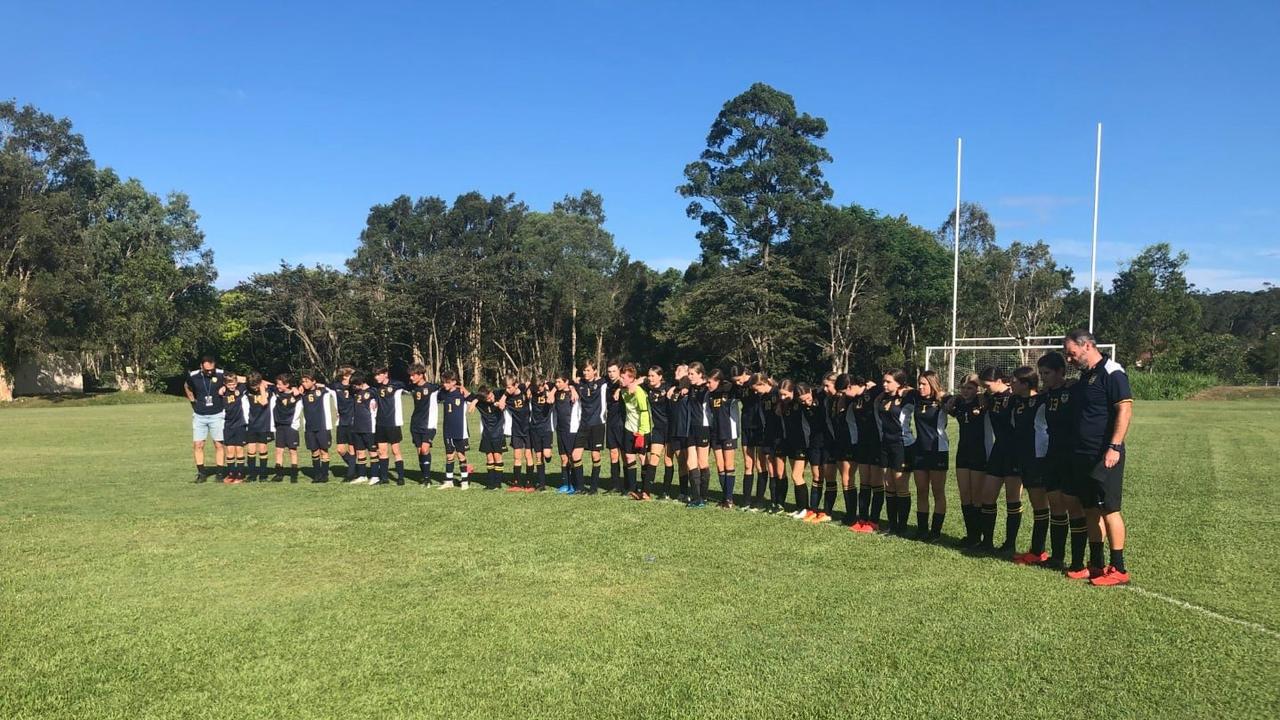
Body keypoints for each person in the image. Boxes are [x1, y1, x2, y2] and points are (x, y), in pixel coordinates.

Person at [1062, 329, 1133, 586]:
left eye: (1071, 354)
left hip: (1105, 454)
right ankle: (1096, 565)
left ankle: (1119, 568)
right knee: (1091, 509)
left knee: (1109, 509)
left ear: (1088, 346)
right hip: (1083, 455)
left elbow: (1124, 409)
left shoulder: (1112, 372)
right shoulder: (1086, 377)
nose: (1068, 360)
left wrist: (1114, 446)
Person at [1035, 352, 1086, 571]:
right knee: (1055, 504)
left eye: (1047, 373)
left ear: (1060, 372)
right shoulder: (1044, 395)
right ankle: (1057, 556)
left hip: (1071, 456)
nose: (1043, 377)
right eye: (1041, 373)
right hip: (1052, 455)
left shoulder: (1074, 391)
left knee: (1073, 505)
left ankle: (1077, 562)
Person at [974, 366, 1020, 554]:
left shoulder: (1014, 397)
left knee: (1012, 499)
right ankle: (987, 542)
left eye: (987, 385)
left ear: (999, 381)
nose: (985, 388)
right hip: (998, 450)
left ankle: (1010, 544)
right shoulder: (990, 398)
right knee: (988, 496)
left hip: (1014, 453)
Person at [1009, 366, 1050, 562]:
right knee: (1036, 504)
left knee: (1040, 504)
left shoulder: (1042, 399)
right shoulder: (1016, 400)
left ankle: (1038, 551)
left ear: (1026, 384)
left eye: (1014, 381)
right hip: (1022, 456)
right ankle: (1036, 550)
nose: (1011, 383)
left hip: (1038, 457)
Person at [946, 374, 989, 546]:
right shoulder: (959, 403)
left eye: (970, 388)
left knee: (977, 497)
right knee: (965, 496)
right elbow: (946, 408)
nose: (965, 391)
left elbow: (989, 394)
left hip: (979, 453)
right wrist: (955, 397)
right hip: (963, 453)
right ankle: (971, 535)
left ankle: (979, 537)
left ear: (977, 388)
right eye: (963, 388)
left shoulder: (983, 402)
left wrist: (977, 383)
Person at [876, 369, 916, 535]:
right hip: (886, 445)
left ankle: (902, 526)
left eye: (888, 381)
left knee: (901, 485)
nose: (884, 384)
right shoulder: (883, 397)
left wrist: (906, 389)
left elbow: (919, 392)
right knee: (888, 485)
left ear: (899, 383)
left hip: (903, 445)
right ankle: (892, 525)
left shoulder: (908, 397)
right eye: (883, 381)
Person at [912, 370, 949, 540]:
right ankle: (921, 530)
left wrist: (945, 396)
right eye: (919, 383)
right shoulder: (916, 398)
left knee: (938, 492)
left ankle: (935, 532)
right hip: (919, 450)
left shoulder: (942, 400)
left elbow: (956, 400)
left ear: (932, 384)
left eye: (924, 384)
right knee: (921, 491)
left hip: (938, 451)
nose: (920, 387)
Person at [184, 356, 227, 483]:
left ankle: (220, 472)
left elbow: (235, 380)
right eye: (207, 370)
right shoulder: (193, 375)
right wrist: (192, 401)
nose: (209, 372)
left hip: (217, 414)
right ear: (201, 366)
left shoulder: (221, 374)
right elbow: (187, 386)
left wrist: (259, 381)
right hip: (199, 415)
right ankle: (201, 473)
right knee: (198, 444)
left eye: (211, 370)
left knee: (219, 444)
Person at [850, 378, 884, 533]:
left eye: (847, 389)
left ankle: (874, 521)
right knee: (864, 482)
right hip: (862, 445)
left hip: (877, 444)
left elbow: (886, 389)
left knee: (876, 482)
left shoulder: (873, 393)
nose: (845, 393)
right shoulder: (854, 399)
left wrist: (874, 386)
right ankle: (862, 518)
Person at [574, 361, 609, 494]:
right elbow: (569, 383)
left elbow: (617, 378)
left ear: (595, 371)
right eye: (584, 370)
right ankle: (580, 487)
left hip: (597, 423)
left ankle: (593, 487)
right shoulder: (580, 384)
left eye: (588, 370)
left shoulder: (602, 382)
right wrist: (572, 388)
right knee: (575, 455)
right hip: (583, 424)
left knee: (595, 456)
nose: (585, 373)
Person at [707, 369, 740, 508]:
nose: (707, 384)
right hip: (715, 432)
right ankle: (724, 497)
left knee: (728, 465)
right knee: (720, 466)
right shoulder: (710, 394)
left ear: (718, 381)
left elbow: (738, 386)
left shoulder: (729, 390)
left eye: (710, 382)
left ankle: (729, 499)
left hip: (728, 432)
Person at [619, 363, 653, 498]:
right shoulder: (623, 389)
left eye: (624, 377)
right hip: (628, 427)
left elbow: (644, 412)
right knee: (629, 457)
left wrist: (642, 431)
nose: (621, 379)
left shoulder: (638, 391)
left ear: (631, 378)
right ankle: (633, 488)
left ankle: (645, 489)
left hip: (641, 429)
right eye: (621, 377)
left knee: (643, 458)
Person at [371, 367, 407, 486]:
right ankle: (384, 478)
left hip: (393, 423)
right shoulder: (376, 388)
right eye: (375, 375)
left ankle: (401, 477)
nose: (376, 377)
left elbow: (409, 385)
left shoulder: (396, 384)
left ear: (385, 374)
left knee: (395, 450)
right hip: (380, 423)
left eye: (378, 374)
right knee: (382, 451)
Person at [299, 371, 336, 483]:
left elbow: (334, 388)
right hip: (309, 427)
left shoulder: (323, 391)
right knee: (314, 452)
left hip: (323, 426)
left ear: (314, 381)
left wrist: (322, 385)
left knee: (324, 451)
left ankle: (324, 475)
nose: (304, 383)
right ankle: (317, 474)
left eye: (307, 381)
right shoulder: (302, 393)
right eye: (302, 381)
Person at [406, 365, 441, 486]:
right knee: (420, 451)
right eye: (410, 375)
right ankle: (424, 476)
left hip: (429, 424)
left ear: (421, 375)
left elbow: (449, 388)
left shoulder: (433, 388)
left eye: (413, 375)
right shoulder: (412, 388)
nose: (411, 377)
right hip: (415, 423)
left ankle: (427, 478)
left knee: (425, 449)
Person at [437, 371, 471, 489]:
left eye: (447, 383)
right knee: (449, 455)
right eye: (443, 382)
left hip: (460, 429)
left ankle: (465, 481)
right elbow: (434, 393)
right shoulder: (442, 393)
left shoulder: (461, 393)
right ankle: (449, 480)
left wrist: (462, 388)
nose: (445, 385)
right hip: (447, 429)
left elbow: (474, 398)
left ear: (454, 382)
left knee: (461, 455)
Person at [643, 366, 673, 500]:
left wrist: (673, 388)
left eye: (653, 376)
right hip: (658, 429)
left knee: (668, 460)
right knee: (654, 458)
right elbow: (637, 381)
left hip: (670, 428)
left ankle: (665, 491)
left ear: (660, 377)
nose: (650, 378)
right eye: (649, 376)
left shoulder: (667, 387)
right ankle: (646, 492)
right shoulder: (648, 387)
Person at [470, 386, 507, 490]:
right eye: (488, 398)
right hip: (486, 434)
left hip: (498, 434)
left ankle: (498, 483)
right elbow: (471, 395)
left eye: (491, 396)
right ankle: (490, 483)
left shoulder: (499, 394)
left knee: (497, 457)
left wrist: (500, 402)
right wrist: (474, 401)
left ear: (491, 391)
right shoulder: (481, 403)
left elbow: (508, 390)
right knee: (489, 458)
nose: (491, 399)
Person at [504, 376, 535, 492]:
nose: (507, 389)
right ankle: (516, 483)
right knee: (517, 456)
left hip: (528, 429)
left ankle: (529, 483)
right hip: (516, 430)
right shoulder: (507, 396)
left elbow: (531, 384)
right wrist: (503, 398)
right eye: (506, 387)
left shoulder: (523, 390)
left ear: (516, 385)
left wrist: (528, 387)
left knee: (528, 455)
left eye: (509, 387)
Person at [552, 373, 581, 493]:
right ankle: (566, 484)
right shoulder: (556, 392)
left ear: (566, 381)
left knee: (571, 458)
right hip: (560, 429)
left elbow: (578, 383)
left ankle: (574, 484)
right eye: (556, 382)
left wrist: (573, 388)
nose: (557, 384)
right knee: (563, 457)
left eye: (559, 382)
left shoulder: (572, 391)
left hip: (571, 429)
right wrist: (553, 389)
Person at [271, 373, 302, 482]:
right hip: (279, 425)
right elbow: (263, 383)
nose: (277, 386)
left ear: (287, 384)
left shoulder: (297, 396)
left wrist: (295, 388)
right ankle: (279, 474)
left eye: (280, 384)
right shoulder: (276, 392)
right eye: (277, 384)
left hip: (290, 427)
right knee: (279, 450)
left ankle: (294, 474)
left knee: (292, 450)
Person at [219, 372, 250, 484]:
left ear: (236, 383)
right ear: (225, 384)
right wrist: (223, 387)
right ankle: (231, 473)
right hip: (227, 425)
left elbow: (247, 380)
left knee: (239, 449)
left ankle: (240, 474)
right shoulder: (222, 393)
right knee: (230, 450)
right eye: (229, 384)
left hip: (240, 424)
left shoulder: (240, 389)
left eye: (233, 384)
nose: (231, 386)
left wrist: (236, 379)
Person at [347, 373, 378, 484]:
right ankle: (362, 475)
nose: (353, 387)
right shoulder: (356, 393)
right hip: (357, 427)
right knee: (360, 452)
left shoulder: (373, 392)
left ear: (360, 382)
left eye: (354, 384)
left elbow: (374, 409)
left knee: (372, 452)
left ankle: (375, 476)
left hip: (369, 427)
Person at [244, 372, 274, 482]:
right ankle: (251, 475)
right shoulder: (246, 390)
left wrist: (262, 387)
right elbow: (236, 378)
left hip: (264, 425)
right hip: (251, 424)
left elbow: (264, 402)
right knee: (251, 450)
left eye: (256, 386)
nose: (254, 388)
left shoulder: (269, 390)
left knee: (263, 449)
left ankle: (263, 475)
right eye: (252, 386)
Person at [605, 361, 629, 492]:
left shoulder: (624, 382)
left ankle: (627, 484)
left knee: (625, 454)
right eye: (609, 371)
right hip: (611, 422)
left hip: (623, 422)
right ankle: (615, 484)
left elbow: (641, 379)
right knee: (613, 454)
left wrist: (620, 388)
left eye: (614, 371)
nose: (611, 374)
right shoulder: (607, 382)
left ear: (619, 371)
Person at [528, 379, 555, 491]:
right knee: (538, 457)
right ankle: (541, 483)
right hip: (534, 428)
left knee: (546, 454)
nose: (539, 389)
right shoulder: (532, 392)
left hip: (547, 428)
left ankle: (548, 457)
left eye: (541, 386)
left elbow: (558, 384)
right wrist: (529, 388)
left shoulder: (548, 392)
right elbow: (523, 385)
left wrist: (550, 390)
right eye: (536, 386)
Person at [332, 365, 356, 482]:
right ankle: (354, 467)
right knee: (340, 449)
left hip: (353, 421)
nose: (350, 378)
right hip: (341, 421)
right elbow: (320, 387)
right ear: (343, 376)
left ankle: (351, 474)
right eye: (348, 375)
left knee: (352, 449)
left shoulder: (355, 387)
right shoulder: (336, 386)